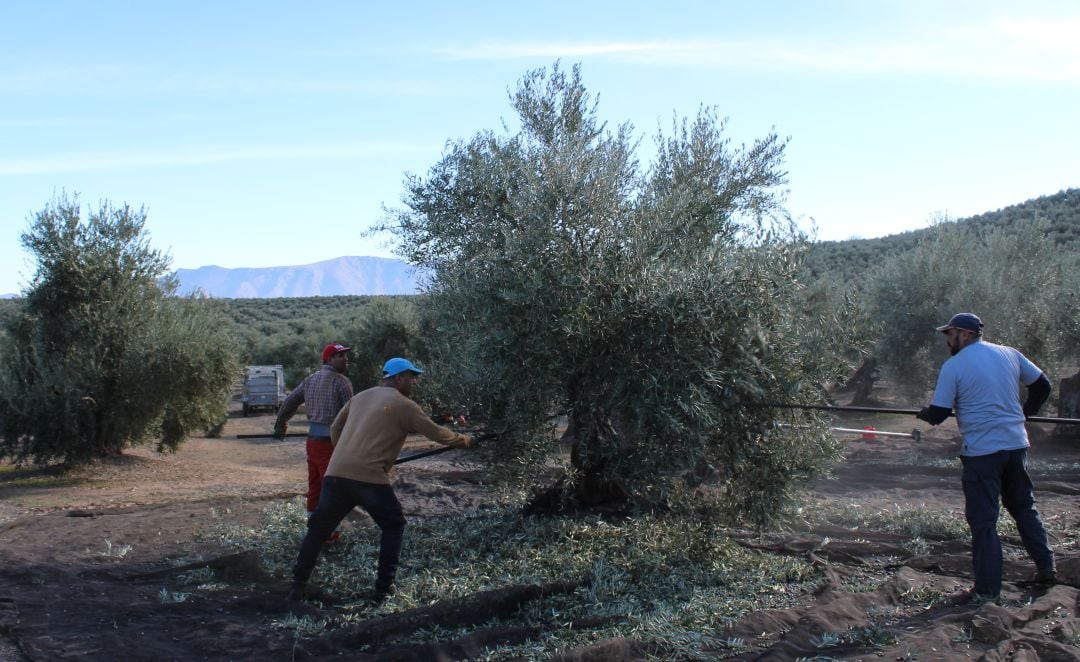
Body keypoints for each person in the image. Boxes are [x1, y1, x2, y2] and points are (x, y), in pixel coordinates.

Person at [288, 357, 473, 603]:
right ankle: (383, 590)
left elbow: (335, 429)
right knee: (393, 524)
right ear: (398, 378)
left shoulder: (360, 397)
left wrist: (348, 454)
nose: (414, 382)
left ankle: (297, 585)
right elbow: (436, 432)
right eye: (411, 377)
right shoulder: (404, 405)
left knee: (318, 529)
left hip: (336, 473)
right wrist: (466, 441)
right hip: (368, 477)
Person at [916, 312, 1055, 601]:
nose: (947, 340)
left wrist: (926, 414)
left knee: (983, 521)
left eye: (950, 334)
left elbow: (939, 414)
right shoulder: (1010, 354)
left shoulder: (954, 366)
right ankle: (1046, 568)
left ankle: (987, 591)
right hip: (1017, 445)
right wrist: (1024, 414)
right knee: (1024, 508)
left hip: (982, 453)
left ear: (965, 334)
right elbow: (1043, 386)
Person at [274, 343, 354, 541]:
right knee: (333, 488)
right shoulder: (342, 382)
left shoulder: (310, 380)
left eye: (345, 355)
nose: (345, 359)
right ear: (328, 359)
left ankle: (313, 527)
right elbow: (352, 415)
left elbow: (290, 401)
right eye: (340, 355)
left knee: (315, 485)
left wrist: (281, 423)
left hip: (313, 442)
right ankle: (330, 533)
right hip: (332, 444)